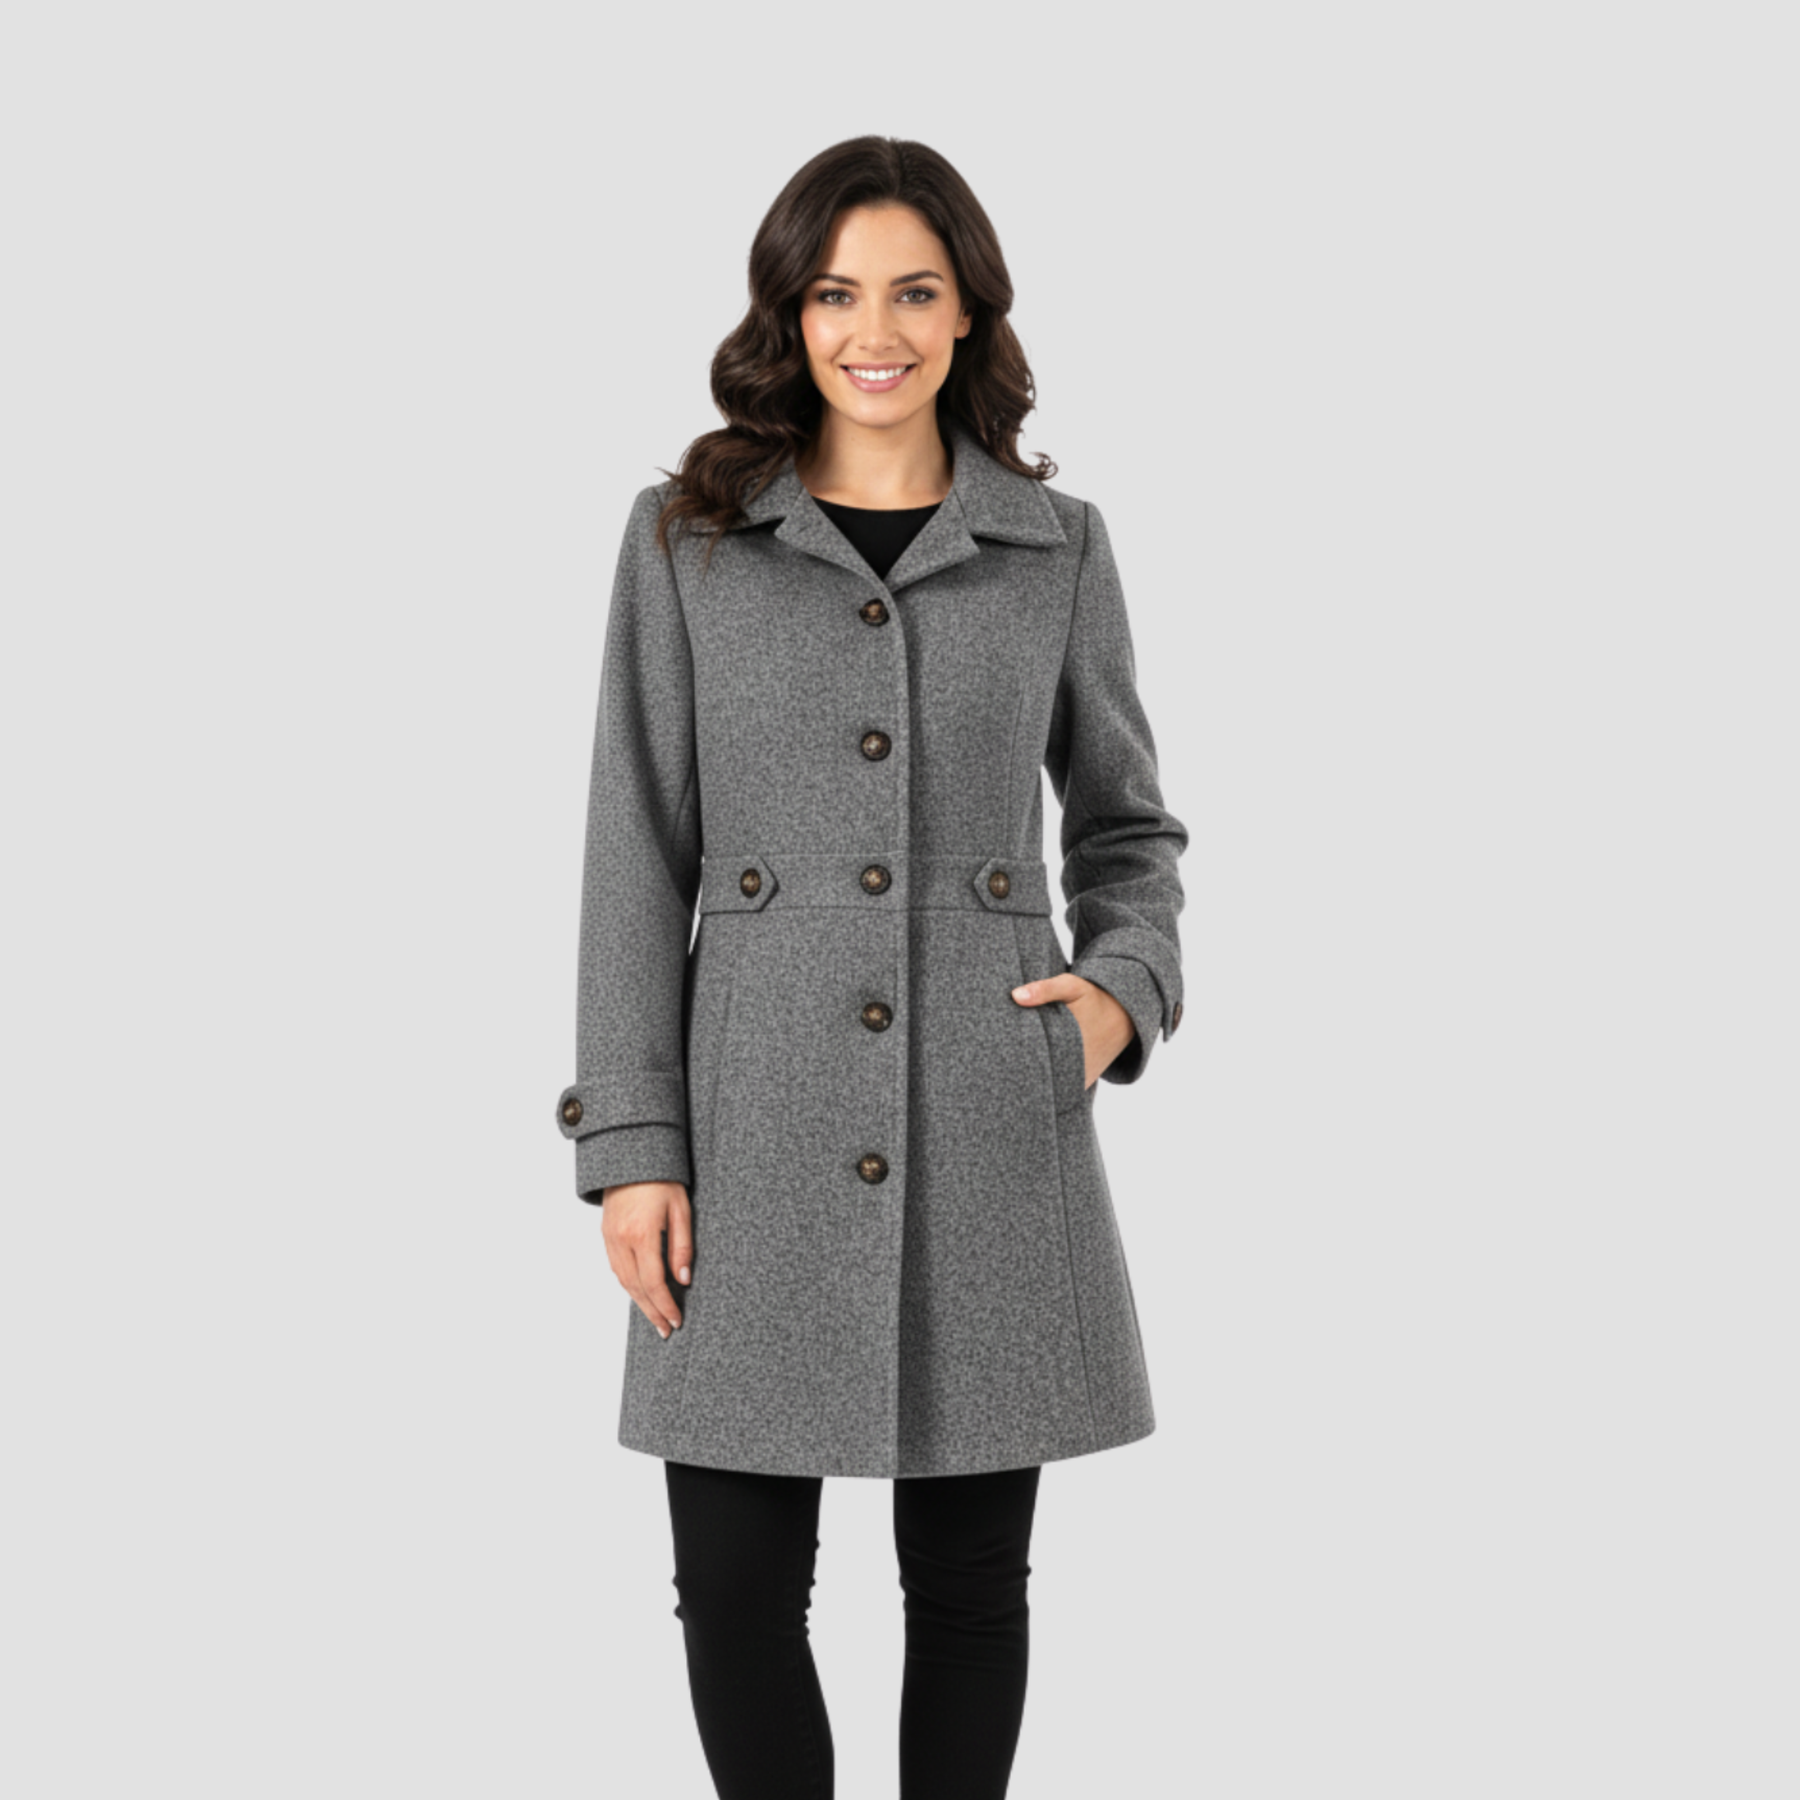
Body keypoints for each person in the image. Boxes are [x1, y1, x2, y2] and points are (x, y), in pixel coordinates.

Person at [556, 134, 1188, 1800]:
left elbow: (1129, 830)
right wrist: (633, 1145)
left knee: (969, 1589)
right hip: (750, 1123)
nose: (875, 331)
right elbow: (635, 852)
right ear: (791, 313)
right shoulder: (687, 540)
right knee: (734, 1590)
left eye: (914, 292)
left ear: (969, 311)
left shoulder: (1056, 547)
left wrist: (1118, 997)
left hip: (988, 1117)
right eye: (836, 295)